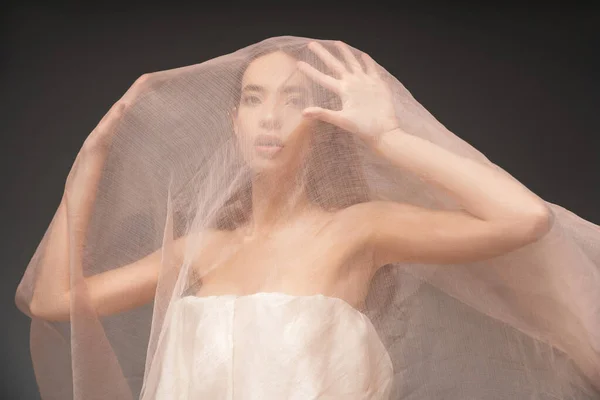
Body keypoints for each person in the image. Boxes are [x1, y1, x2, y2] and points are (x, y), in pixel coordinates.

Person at [15, 36, 600, 399]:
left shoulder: (359, 229)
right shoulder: (205, 248)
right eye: (253, 98)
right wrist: (88, 163)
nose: (270, 117)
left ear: (323, 124)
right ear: (234, 121)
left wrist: (390, 137)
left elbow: (525, 220)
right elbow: (51, 301)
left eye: (294, 99)